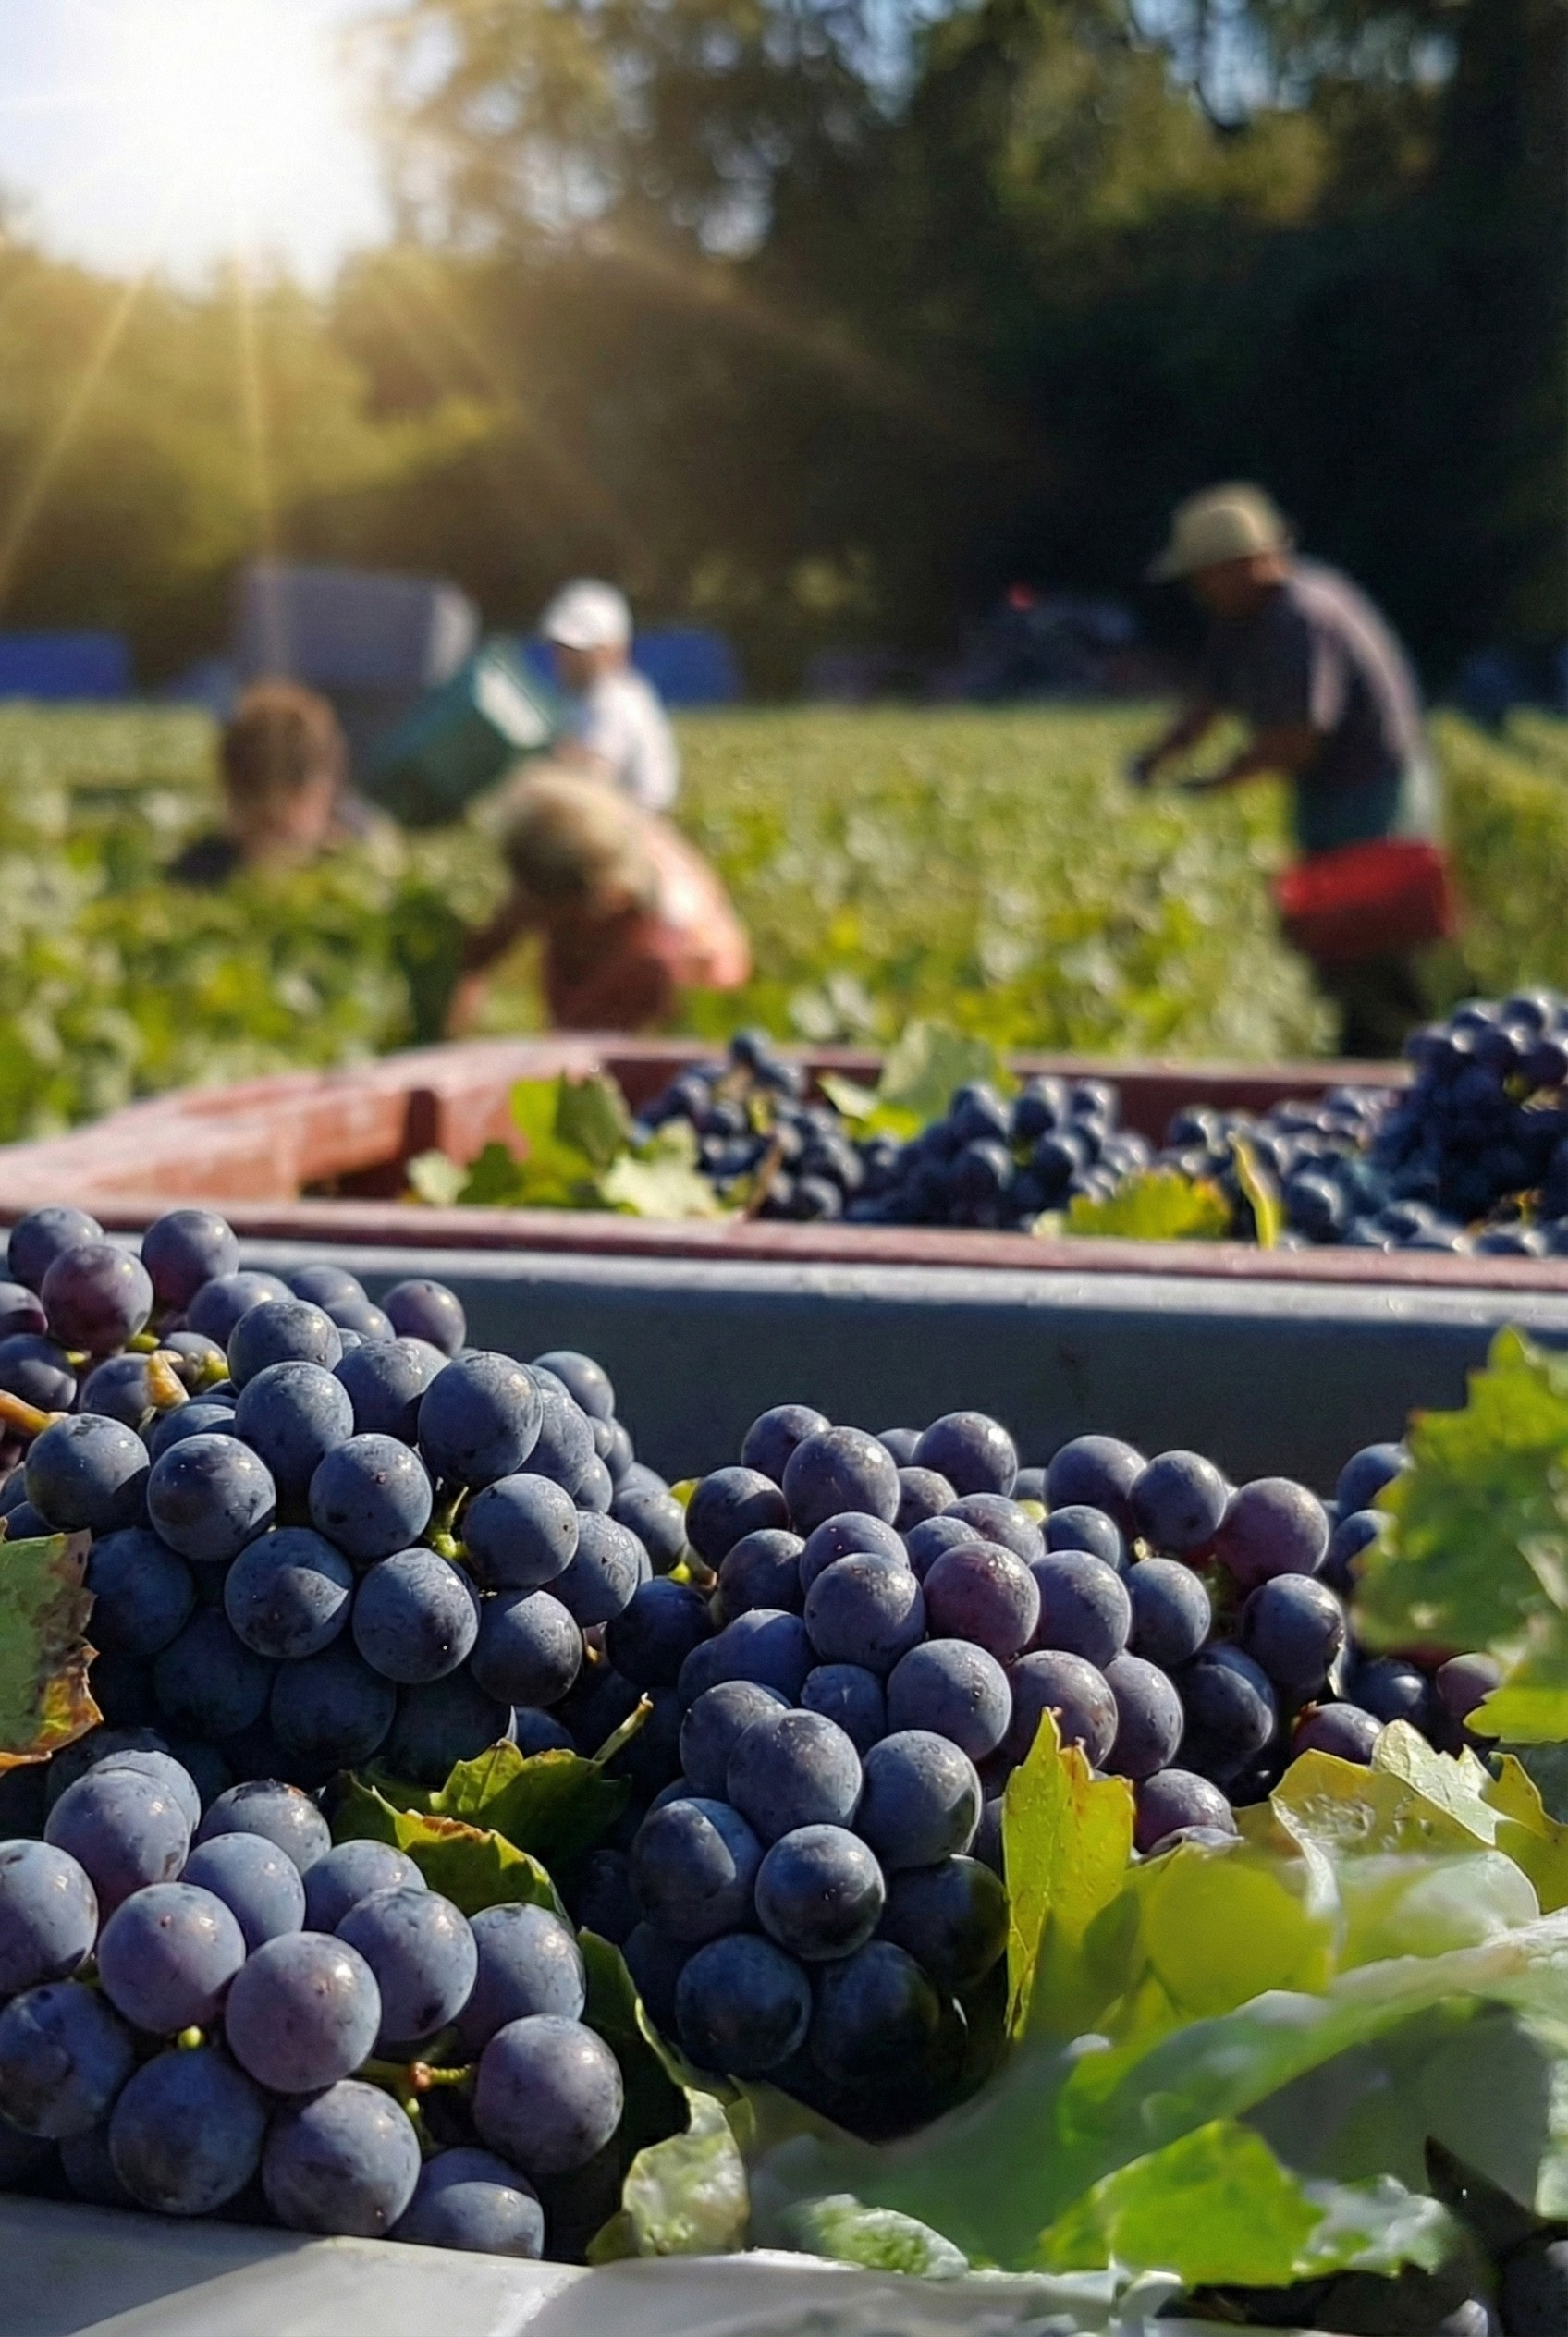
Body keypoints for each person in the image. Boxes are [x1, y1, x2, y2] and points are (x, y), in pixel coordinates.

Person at [1131, 483, 1444, 1056]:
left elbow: (1295, 741)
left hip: (1372, 783)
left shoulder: (1297, 618)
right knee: (1331, 929)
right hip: (1329, 785)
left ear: (1242, 565)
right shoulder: (1244, 615)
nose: (1199, 587)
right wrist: (1154, 759)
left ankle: (1404, 1054)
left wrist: (1211, 783)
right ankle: (1365, 1048)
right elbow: (1209, 701)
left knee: (1373, 928)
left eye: (1206, 572)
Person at [447, 769, 748, 1034]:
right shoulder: (588, 846)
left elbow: (583, 1061)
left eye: (538, 902)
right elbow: (490, 939)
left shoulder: (655, 957)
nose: (521, 904)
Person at [168, 679, 377, 886]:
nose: (270, 848)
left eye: (282, 829)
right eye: (258, 825)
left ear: (323, 794)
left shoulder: (365, 866)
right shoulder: (199, 875)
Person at [538, 580, 680, 815]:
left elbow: (596, 776)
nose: (565, 658)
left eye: (578, 650)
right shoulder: (579, 697)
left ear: (612, 648)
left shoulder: (616, 700)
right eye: (561, 648)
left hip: (634, 824)